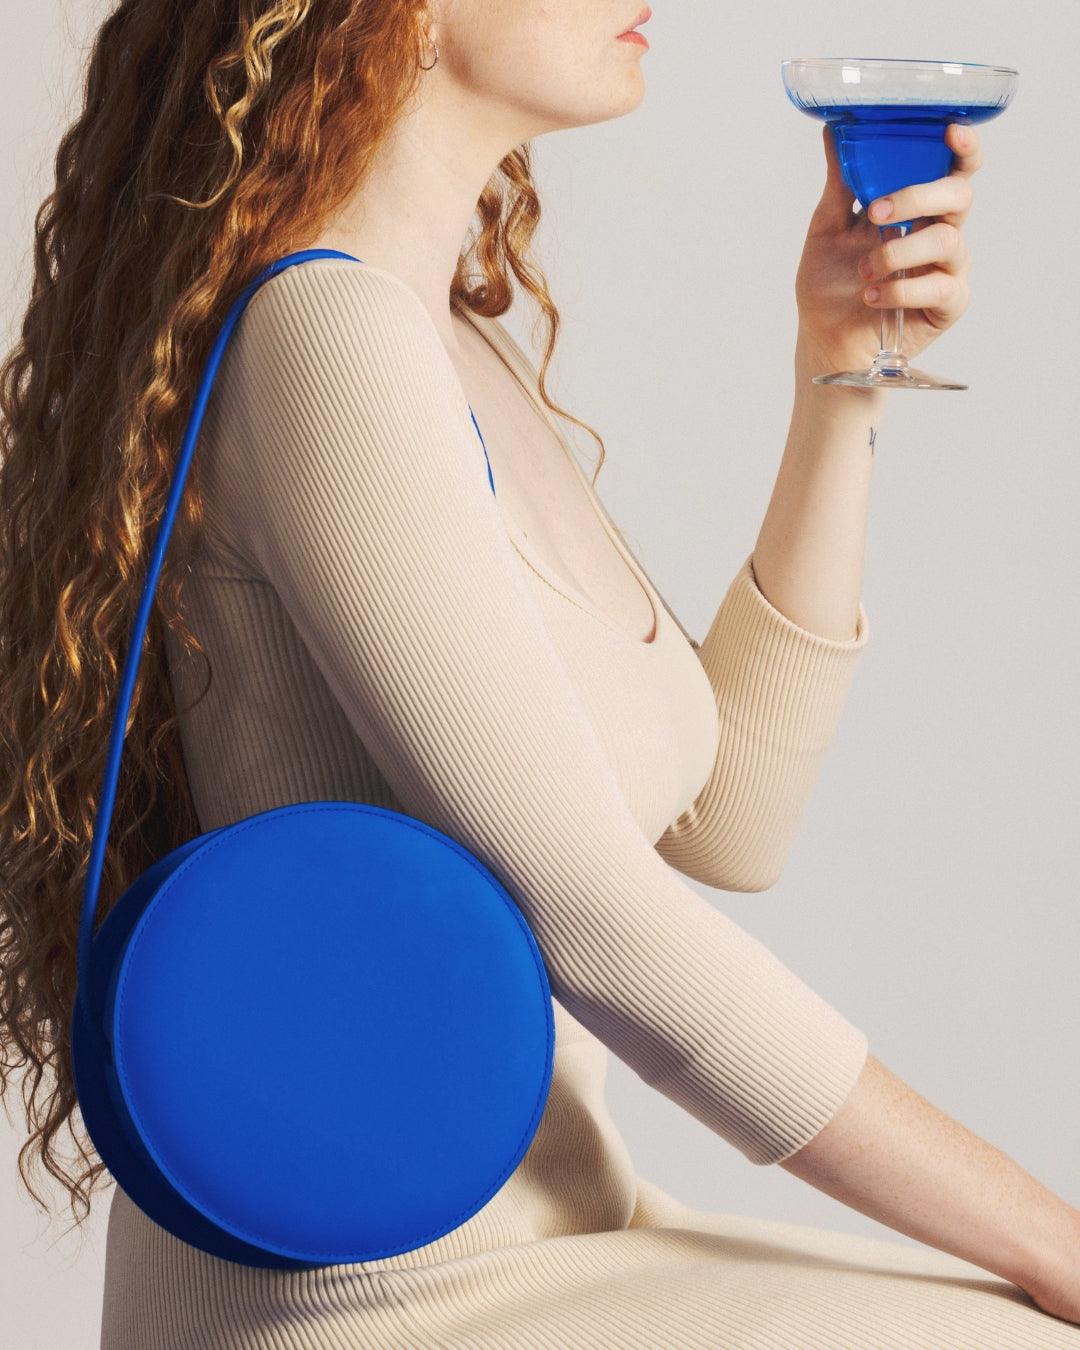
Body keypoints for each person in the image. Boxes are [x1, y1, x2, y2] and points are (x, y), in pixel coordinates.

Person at [1, 2, 1078, 1346]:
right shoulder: (328, 336)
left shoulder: (445, 340)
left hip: (567, 1240)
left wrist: (841, 373)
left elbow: (730, 822)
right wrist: (1054, 1235)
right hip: (370, 1294)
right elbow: (603, 925)